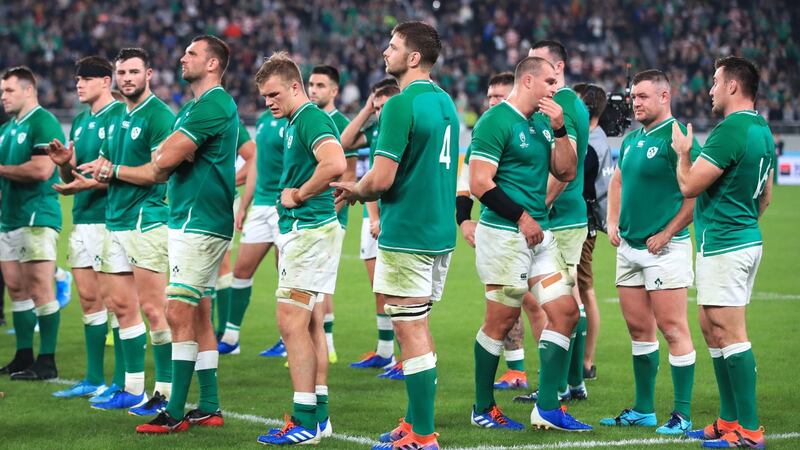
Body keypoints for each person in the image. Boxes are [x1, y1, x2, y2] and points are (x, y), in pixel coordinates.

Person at [332, 21, 459, 450]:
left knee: (410, 331)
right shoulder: (445, 101)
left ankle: (422, 435)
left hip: (407, 231)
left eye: (393, 46)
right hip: (438, 232)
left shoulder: (401, 105)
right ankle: (415, 421)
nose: (386, 52)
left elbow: (382, 178)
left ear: (414, 57)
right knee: (418, 326)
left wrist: (356, 190)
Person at [672, 56, 774, 449]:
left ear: (733, 86)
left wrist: (683, 152)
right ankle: (728, 420)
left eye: (716, 82)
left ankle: (749, 432)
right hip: (740, 240)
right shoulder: (762, 129)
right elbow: (765, 197)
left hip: (726, 246)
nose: (711, 89)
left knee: (731, 334)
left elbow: (688, 186)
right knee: (711, 328)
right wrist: (742, 225)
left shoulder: (730, 129)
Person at [253, 51, 346, 445]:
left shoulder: (309, 118)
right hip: (309, 231)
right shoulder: (296, 120)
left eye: (274, 94)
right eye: (264, 97)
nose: (269, 102)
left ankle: (305, 420)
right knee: (308, 326)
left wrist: (300, 194)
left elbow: (335, 163)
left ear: (295, 86)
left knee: (291, 325)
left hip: (308, 231)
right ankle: (318, 417)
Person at [600, 69, 698, 435]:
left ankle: (682, 414)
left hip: (665, 250)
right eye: (633, 97)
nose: (635, 103)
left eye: (642, 96)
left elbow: (695, 194)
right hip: (629, 248)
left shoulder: (678, 138)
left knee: (672, 329)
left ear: (664, 96)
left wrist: (667, 232)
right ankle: (644, 410)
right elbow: (618, 180)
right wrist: (612, 220)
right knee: (639, 330)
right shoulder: (632, 140)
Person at [78, 48, 174, 413]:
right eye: (122, 72)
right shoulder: (119, 114)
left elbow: (158, 172)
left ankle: (164, 393)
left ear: (148, 74)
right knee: (121, 306)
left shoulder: (159, 115)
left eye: (134, 71)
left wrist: (114, 171)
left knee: (154, 309)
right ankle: (133, 389)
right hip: (114, 219)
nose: (127, 78)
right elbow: (104, 165)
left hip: (145, 221)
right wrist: (83, 171)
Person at [45, 56, 127, 398]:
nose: (78, 84)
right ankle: (94, 379)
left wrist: (86, 185)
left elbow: (125, 173)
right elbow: (72, 174)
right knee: (90, 301)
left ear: (106, 81)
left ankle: (122, 382)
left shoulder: (120, 115)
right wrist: (65, 165)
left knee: (119, 304)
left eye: (86, 78)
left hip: (111, 220)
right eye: (77, 78)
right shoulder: (79, 121)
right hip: (82, 220)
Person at [455, 72, 535, 391]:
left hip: (534, 230)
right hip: (502, 232)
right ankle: (517, 370)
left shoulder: (527, 129)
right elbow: (466, 182)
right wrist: (464, 220)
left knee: (539, 304)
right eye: (489, 97)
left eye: (499, 97)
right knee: (509, 304)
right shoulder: (486, 132)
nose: (492, 102)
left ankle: (558, 381)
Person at [523, 40, 591, 404]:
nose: (534, 69)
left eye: (541, 62)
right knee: (568, 299)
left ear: (559, 67)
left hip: (560, 217)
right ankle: (573, 381)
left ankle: (563, 383)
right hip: (566, 216)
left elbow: (567, 166)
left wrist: (538, 208)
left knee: (559, 303)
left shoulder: (561, 104)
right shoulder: (568, 102)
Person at [0, 66, 64, 380]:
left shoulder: (44, 122)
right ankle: (23, 356)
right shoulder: (6, 129)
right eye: (2, 91)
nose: (3, 97)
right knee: (16, 289)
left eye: (9, 90)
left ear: (29, 90)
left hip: (36, 216)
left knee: (40, 288)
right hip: (9, 218)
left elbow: (42, 170)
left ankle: (47, 360)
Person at [342, 79, 402, 372]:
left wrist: (380, 219)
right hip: (372, 214)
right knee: (378, 287)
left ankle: (407, 357)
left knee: (399, 291)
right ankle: (385, 351)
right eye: (376, 107)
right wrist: (366, 110)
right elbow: (344, 142)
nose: (379, 112)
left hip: (395, 215)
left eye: (383, 107)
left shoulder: (404, 129)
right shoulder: (377, 129)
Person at [308, 64, 354, 364]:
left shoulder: (341, 124)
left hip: (328, 216)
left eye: (320, 85)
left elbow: (347, 177)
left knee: (318, 285)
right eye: (311, 84)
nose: (313, 90)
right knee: (313, 284)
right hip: (308, 214)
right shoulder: (305, 119)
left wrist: (328, 214)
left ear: (335, 91)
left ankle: (326, 345)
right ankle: (318, 343)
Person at [572, 83, 614, 380]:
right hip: (591, 224)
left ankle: (584, 362)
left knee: (581, 291)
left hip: (580, 226)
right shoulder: (598, 139)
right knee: (584, 289)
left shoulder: (587, 145)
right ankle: (585, 361)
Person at [212, 121, 254, 343]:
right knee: (200, 268)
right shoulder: (187, 115)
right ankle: (205, 330)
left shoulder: (229, 121)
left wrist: (226, 182)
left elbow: (253, 156)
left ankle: (224, 334)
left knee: (221, 263)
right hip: (192, 202)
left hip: (222, 201)